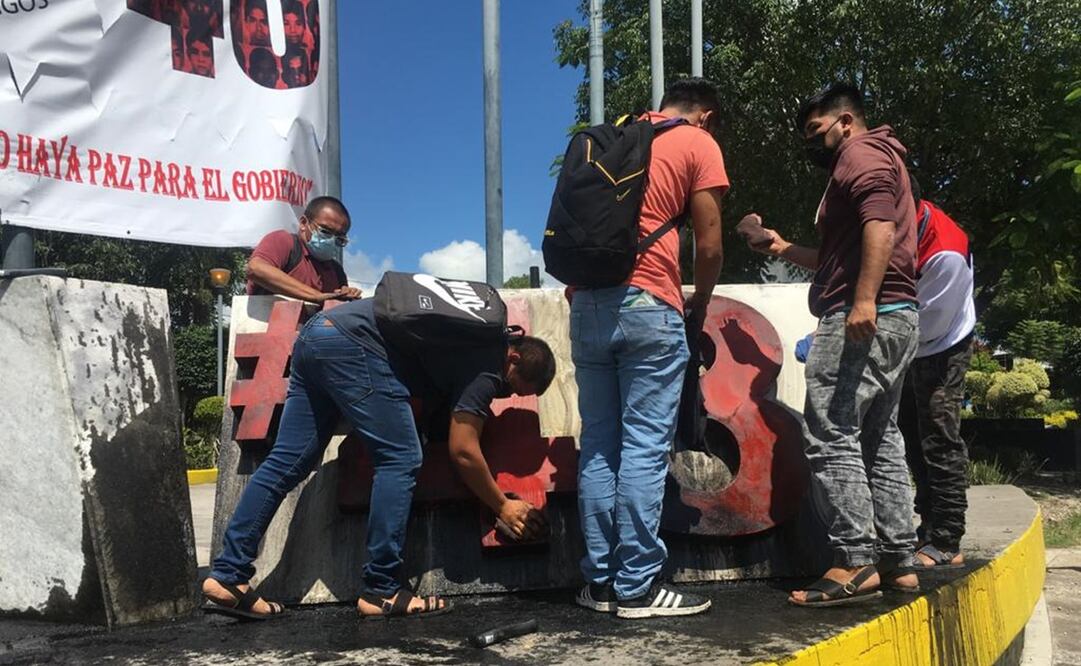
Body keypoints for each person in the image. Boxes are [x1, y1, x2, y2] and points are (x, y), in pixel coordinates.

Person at [202, 291, 556, 619]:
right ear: (513, 357)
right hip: (355, 346)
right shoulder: (488, 364)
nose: (500, 394)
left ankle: (229, 574)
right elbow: (463, 450)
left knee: (288, 461)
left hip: (317, 335)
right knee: (401, 458)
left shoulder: (468, 335)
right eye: (509, 387)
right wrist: (502, 505)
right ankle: (382, 589)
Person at [744, 82, 920, 607]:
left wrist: (862, 300)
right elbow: (838, 257)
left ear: (845, 121)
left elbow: (879, 228)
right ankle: (898, 560)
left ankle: (854, 559)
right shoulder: (881, 156)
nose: (811, 143)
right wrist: (778, 246)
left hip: (864, 316)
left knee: (828, 432)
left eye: (815, 131)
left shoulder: (860, 153)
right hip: (896, 315)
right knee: (878, 437)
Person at [571, 78, 727, 619]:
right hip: (648, 303)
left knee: (598, 446)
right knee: (642, 447)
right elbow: (709, 244)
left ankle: (599, 583)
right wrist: (699, 302)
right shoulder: (695, 142)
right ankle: (636, 585)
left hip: (587, 305)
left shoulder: (615, 136)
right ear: (703, 114)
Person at [898, 176, 976, 570]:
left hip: (942, 344)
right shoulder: (891, 226)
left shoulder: (944, 252)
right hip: (909, 340)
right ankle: (926, 525)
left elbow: (929, 325)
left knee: (938, 436)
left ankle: (946, 538)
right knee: (911, 436)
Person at [246, 196, 361, 302]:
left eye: (339, 238)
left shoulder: (336, 271)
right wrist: (315, 296)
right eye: (325, 232)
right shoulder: (284, 241)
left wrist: (345, 297)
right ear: (303, 223)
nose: (331, 240)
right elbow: (256, 269)